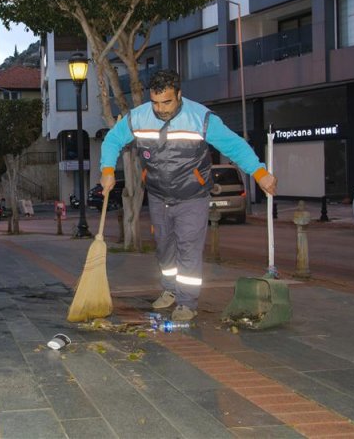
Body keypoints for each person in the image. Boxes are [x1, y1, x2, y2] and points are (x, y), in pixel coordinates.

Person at [99, 69, 277, 322]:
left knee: (188, 247)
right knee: (164, 249)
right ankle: (170, 290)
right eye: (156, 103)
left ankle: (186, 302)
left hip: (193, 195)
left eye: (167, 102)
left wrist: (260, 173)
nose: (160, 109)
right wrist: (106, 170)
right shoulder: (137, 118)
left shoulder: (201, 119)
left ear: (179, 94)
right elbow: (112, 140)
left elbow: (234, 145)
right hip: (159, 195)